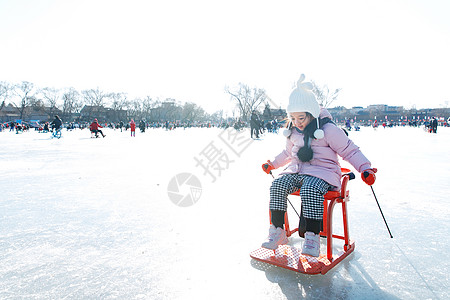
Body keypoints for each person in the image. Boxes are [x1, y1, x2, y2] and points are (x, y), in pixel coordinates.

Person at [260, 74, 377, 257]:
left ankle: (312, 237)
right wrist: (273, 164)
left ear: (311, 114)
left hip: (323, 173)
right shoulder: (293, 131)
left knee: (310, 189)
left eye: (301, 118)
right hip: (298, 170)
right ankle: (277, 231)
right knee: (277, 185)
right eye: (293, 118)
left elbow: (350, 150)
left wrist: (365, 168)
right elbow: (288, 154)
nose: (297, 123)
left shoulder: (328, 130)